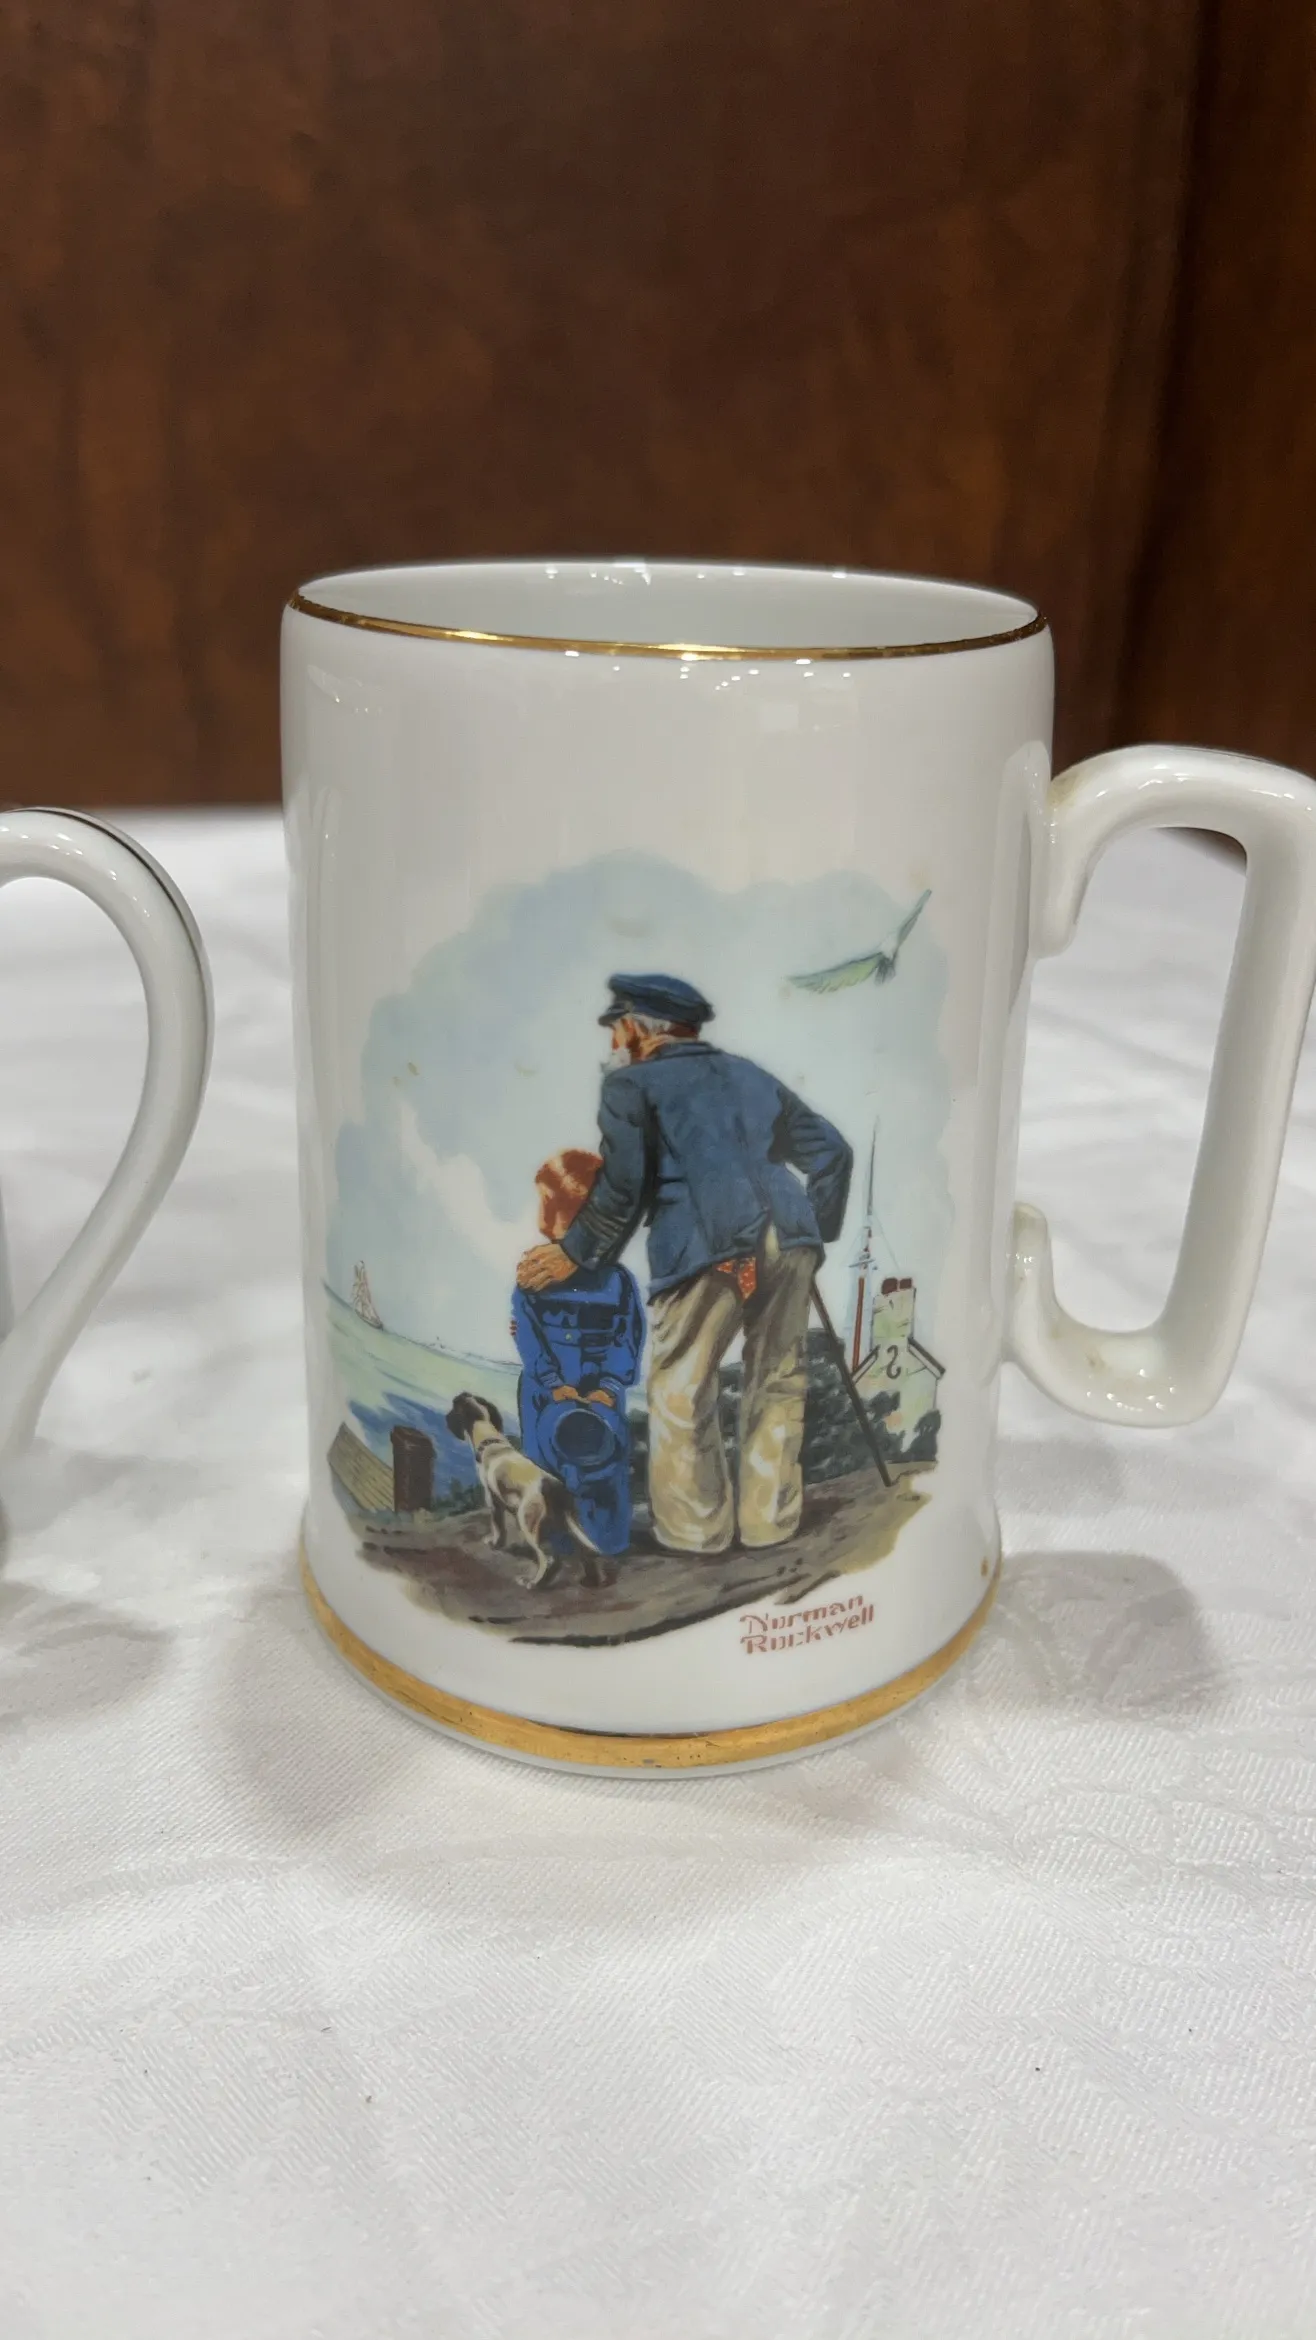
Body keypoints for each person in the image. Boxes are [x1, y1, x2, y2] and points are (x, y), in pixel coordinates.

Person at [517, 975, 852, 1556]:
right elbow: (833, 1153)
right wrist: (812, 1229)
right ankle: (770, 1524)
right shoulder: (752, 1074)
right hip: (791, 1235)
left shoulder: (629, 1085)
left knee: (681, 1388)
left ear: (639, 1028)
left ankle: (697, 1534)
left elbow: (624, 1187)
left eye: (617, 1026)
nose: (614, 1040)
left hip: (704, 1243)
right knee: (778, 1379)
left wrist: (573, 1253)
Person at [511, 1149, 645, 1559]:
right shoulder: (535, 1273)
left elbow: (627, 1334)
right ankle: (553, 1544)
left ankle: (607, 1542)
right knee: (544, 1468)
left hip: (598, 1388)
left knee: (604, 1462)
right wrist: (553, 1383)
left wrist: (609, 1385)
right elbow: (528, 1334)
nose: (542, 1215)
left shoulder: (616, 1279)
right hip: (544, 1389)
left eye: (548, 1204)